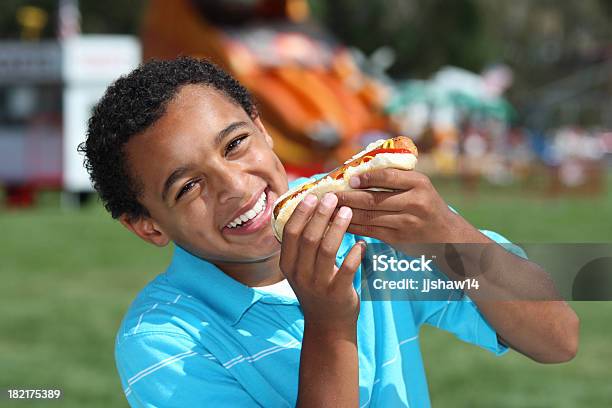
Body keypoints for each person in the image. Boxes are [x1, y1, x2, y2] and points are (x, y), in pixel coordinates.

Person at [79, 57, 579, 407]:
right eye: (187, 186)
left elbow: (558, 339)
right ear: (146, 225)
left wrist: (448, 234)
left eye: (235, 144)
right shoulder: (164, 341)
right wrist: (330, 324)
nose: (234, 186)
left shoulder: (365, 218)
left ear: (262, 127)